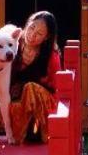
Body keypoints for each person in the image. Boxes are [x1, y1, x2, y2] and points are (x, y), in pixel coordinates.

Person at [7, 11, 61, 144]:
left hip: (42, 101)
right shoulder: (12, 42)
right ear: (27, 24)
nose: (32, 35)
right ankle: (18, 134)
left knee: (30, 88)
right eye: (31, 28)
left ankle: (43, 132)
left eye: (39, 34)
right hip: (15, 98)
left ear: (47, 37)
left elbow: (56, 86)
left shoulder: (51, 55)